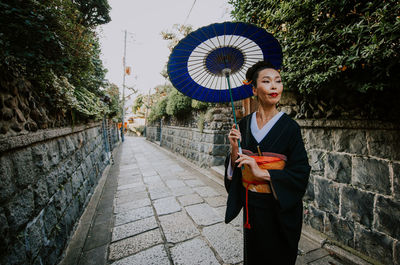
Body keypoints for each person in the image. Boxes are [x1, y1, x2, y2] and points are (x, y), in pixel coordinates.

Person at [224, 61, 311, 265]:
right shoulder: (243, 125)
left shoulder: (290, 127)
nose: (274, 86)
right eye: (267, 81)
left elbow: (300, 171)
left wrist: (263, 173)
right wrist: (234, 150)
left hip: (279, 207)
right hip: (252, 206)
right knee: (254, 257)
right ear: (254, 89)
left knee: (277, 257)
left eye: (278, 81)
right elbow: (235, 169)